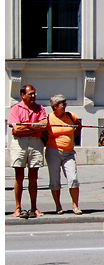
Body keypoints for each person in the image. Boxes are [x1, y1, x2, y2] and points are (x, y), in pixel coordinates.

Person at [8, 85, 47, 218]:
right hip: (20, 143)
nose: (33, 96)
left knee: (33, 176)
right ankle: (17, 207)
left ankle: (34, 208)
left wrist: (26, 126)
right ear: (23, 95)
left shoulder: (40, 108)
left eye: (34, 93)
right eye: (30, 94)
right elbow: (16, 130)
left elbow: (43, 125)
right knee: (19, 176)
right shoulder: (16, 108)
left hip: (36, 143)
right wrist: (34, 127)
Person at [45, 94, 82, 215]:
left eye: (66, 104)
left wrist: (72, 138)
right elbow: (43, 133)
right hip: (53, 151)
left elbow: (78, 126)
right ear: (55, 106)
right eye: (63, 104)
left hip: (69, 152)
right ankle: (58, 205)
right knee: (55, 180)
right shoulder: (48, 118)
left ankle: (75, 205)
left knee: (73, 178)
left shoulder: (71, 116)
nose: (65, 106)